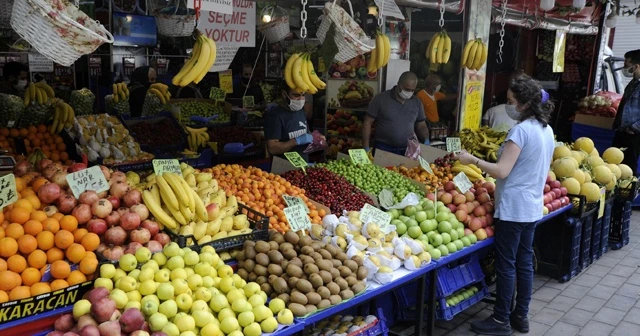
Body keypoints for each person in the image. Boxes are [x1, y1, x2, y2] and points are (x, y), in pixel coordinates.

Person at [457, 75, 554, 335]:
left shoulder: (521, 131)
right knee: (523, 262)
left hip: (513, 209)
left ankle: (500, 320)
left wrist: (472, 160)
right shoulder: (546, 129)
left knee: (506, 264)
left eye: (510, 101)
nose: (508, 105)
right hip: (532, 207)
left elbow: (501, 171)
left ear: (523, 104)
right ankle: (520, 316)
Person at [362, 71, 430, 155]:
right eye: (407, 89)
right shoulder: (380, 99)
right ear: (398, 84)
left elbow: (421, 125)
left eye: (412, 90)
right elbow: (368, 122)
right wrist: (365, 146)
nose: (409, 93)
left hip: (407, 149)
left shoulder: (417, 102)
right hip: (383, 148)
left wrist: (426, 139)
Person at [264, 83, 313, 161]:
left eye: (303, 95)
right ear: (284, 94)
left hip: (303, 163)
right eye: (296, 95)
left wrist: (315, 139)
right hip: (284, 167)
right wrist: (296, 141)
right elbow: (272, 148)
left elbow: (306, 132)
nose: (300, 99)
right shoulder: (274, 116)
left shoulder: (301, 111)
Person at [612, 49, 640, 175]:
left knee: (628, 169)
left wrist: (634, 128)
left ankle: (626, 192)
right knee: (613, 164)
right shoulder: (634, 83)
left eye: (627, 65)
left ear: (636, 66)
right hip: (622, 132)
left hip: (633, 135)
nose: (625, 68)